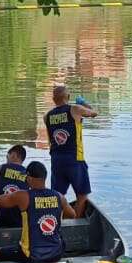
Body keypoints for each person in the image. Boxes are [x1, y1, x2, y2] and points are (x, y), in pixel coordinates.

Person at [0, 162, 74, 263]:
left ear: (29, 178)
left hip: (32, 255)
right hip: (56, 254)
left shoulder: (23, 196)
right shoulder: (59, 196)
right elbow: (72, 214)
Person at [44, 84, 98, 217]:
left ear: (53, 99)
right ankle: (74, 225)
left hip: (56, 160)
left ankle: (58, 226)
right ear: (68, 97)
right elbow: (94, 113)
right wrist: (84, 103)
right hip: (74, 159)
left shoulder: (47, 116)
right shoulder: (75, 109)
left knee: (57, 197)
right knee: (82, 195)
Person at [0, 144, 31, 229]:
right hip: (20, 219)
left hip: (1, 217)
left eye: (7, 157)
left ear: (13, 155)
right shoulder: (29, 175)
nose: (6, 161)